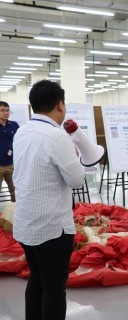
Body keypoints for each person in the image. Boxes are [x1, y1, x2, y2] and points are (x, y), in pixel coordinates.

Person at [13, 80, 85, 320]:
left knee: (36, 279)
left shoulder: (22, 131)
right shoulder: (57, 136)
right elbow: (76, 180)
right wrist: (75, 157)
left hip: (25, 222)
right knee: (54, 287)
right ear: (61, 105)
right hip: (52, 227)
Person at [0, 101, 19, 202]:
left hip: (12, 165)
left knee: (16, 193)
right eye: (2, 110)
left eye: (7, 110)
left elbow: (20, 141)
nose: (6, 113)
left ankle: (15, 216)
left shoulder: (14, 125)